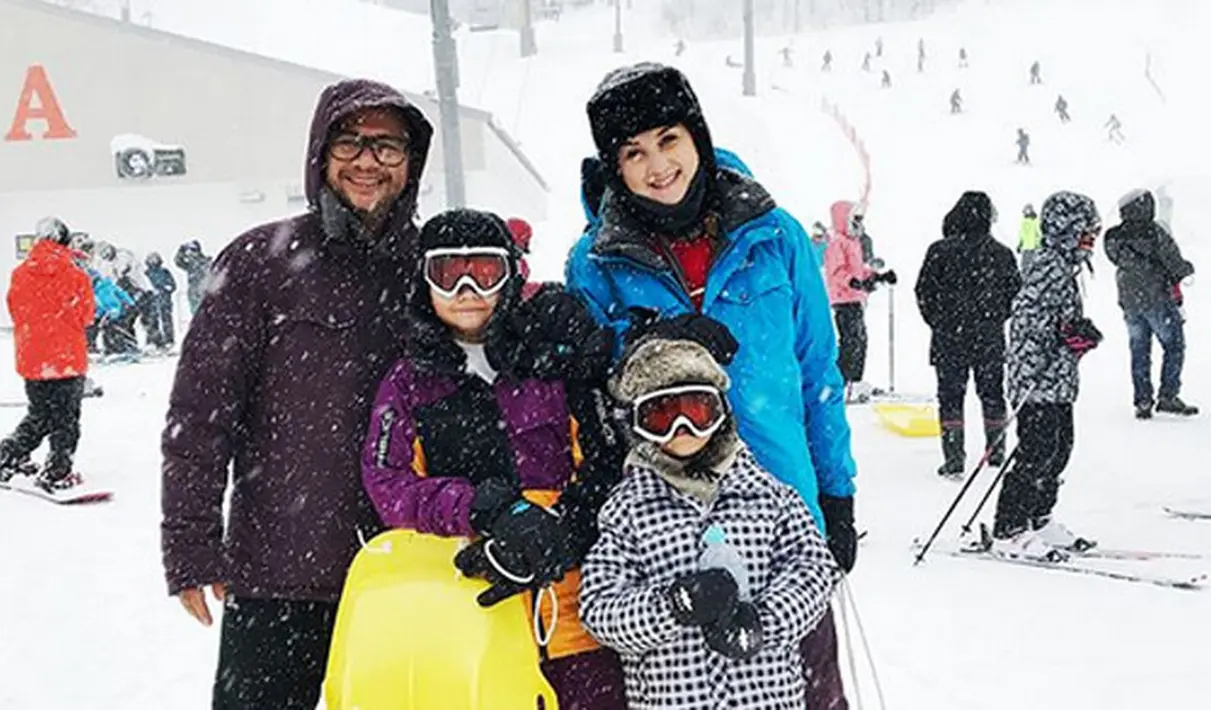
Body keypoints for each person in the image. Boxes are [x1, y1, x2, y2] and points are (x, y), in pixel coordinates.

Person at [566, 62, 858, 710]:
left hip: (781, 520)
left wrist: (835, 496)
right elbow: (592, 393)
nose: (656, 165)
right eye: (633, 152)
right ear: (614, 167)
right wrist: (647, 342)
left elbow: (816, 373)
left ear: (695, 135)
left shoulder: (774, 235)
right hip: (665, 548)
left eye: (668, 139)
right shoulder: (595, 261)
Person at [160, 78, 433, 710]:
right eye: (349, 141)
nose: (367, 161)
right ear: (320, 153)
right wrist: (191, 545)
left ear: (410, 161)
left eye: (387, 146)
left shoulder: (433, 265)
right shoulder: (261, 262)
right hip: (279, 574)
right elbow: (199, 417)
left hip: (407, 570)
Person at [362, 208, 627, 709]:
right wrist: (484, 509)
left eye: (484, 272)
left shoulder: (549, 359)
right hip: (472, 610)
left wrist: (564, 531)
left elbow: (605, 460)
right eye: (448, 272)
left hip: (573, 615)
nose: (467, 289)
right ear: (425, 282)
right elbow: (388, 483)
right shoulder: (408, 382)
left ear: (510, 274)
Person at [582, 318, 840, 709]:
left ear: (721, 413)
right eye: (661, 415)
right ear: (638, 425)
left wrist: (764, 622)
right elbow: (599, 606)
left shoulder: (768, 496)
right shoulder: (627, 511)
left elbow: (814, 570)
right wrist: (670, 607)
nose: (681, 427)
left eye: (697, 410)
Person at [989, 191, 1103, 559]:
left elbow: (1056, 321)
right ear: (1065, 230)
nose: (1091, 240)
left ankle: (1038, 515)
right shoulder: (1047, 268)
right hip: (1037, 380)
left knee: (1059, 449)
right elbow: (1027, 323)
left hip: (1058, 379)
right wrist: (1059, 341)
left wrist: (1077, 333)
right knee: (1036, 452)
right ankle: (1009, 527)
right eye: (1086, 232)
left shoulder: (1065, 267)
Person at [915, 192, 1021, 477]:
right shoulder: (1002, 253)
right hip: (988, 337)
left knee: (950, 397)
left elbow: (924, 292)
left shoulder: (939, 251)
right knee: (992, 394)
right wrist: (994, 317)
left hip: (949, 338)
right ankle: (996, 451)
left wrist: (939, 321)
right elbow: (1014, 293)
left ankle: (953, 458)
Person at [0, 217, 94, 492]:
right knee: (66, 418)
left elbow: (15, 311)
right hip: (66, 359)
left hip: (33, 358)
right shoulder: (75, 274)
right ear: (64, 241)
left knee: (39, 414)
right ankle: (57, 470)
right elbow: (87, 315)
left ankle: (8, 454)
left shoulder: (20, 273)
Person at [1104, 189, 1197, 418]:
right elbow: (1173, 260)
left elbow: (1114, 258)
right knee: (1174, 345)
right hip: (1156, 297)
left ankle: (1143, 400)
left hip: (1129, 300)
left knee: (1139, 350)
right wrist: (1186, 269)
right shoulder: (1154, 232)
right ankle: (1168, 394)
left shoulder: (1113, 236)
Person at [825, 200, 895, 403]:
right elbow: (837, 272)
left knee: (859, 340)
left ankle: (854, 381)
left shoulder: (853, 243)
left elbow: (858, 269)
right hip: (843, 299)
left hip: (854, 299)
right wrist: (854, 283)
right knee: (851, 341)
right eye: (854, 218)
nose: (858, 222)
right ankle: (843, 382)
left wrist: (877, 276)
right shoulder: (837, 243)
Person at [144, 252, 177, 351]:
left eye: (155, 259)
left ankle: (168, 340)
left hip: (165, 300)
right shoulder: (146, 273)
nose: (153, 261)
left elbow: (173, 285)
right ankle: (153, 341)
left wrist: (165, 288)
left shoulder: (165, 271)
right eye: (151, 259)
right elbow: (144, 286)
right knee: (152, 321)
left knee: (166, 320)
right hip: (151, 301)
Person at [174, 239, 212, 315]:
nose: (191, 253)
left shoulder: (206, 262)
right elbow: (177, 261)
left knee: (205, 314)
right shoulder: (190, 264)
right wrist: (181, 251)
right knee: (195, 314)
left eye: (193, 250)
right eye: (190, 250)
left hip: (203, 291)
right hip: (193, 291)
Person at [1018, 203, 1042, 272]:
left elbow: (1039, 233)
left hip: (1033, 247)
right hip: (1025, 247)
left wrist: (1038, 244)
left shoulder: (1035, 221)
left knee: (1032, 265)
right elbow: (1022, 234)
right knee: (1024, 265)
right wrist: (1020, 244)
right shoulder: (1024, 221)